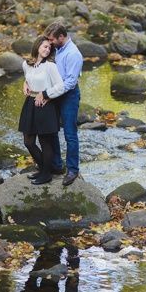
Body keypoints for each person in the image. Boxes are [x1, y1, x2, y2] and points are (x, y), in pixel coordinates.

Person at [19, 36, 68, 185]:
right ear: (37, 46)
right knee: (28, 141)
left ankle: (46, 174)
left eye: (49, 48)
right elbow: (29, 78)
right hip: (30, 103)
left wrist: (45, 93)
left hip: (45, 105)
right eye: (44, 46)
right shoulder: (26, 64)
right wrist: (25, 83)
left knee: (45, 142)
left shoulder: (50, 66)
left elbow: (60, 86)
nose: (47, 49)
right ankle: (45, 169)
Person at [41, 22, 83, 186]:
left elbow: (70, 83)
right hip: (53, 93)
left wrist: (48, 94)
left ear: (61, 37)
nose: (49, 43)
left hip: (68, 96)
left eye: (52, 39)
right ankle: (57, 165)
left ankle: (72, 169)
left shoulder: (73, 54)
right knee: (51, 130)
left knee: (70, 134)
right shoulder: (56, 49)